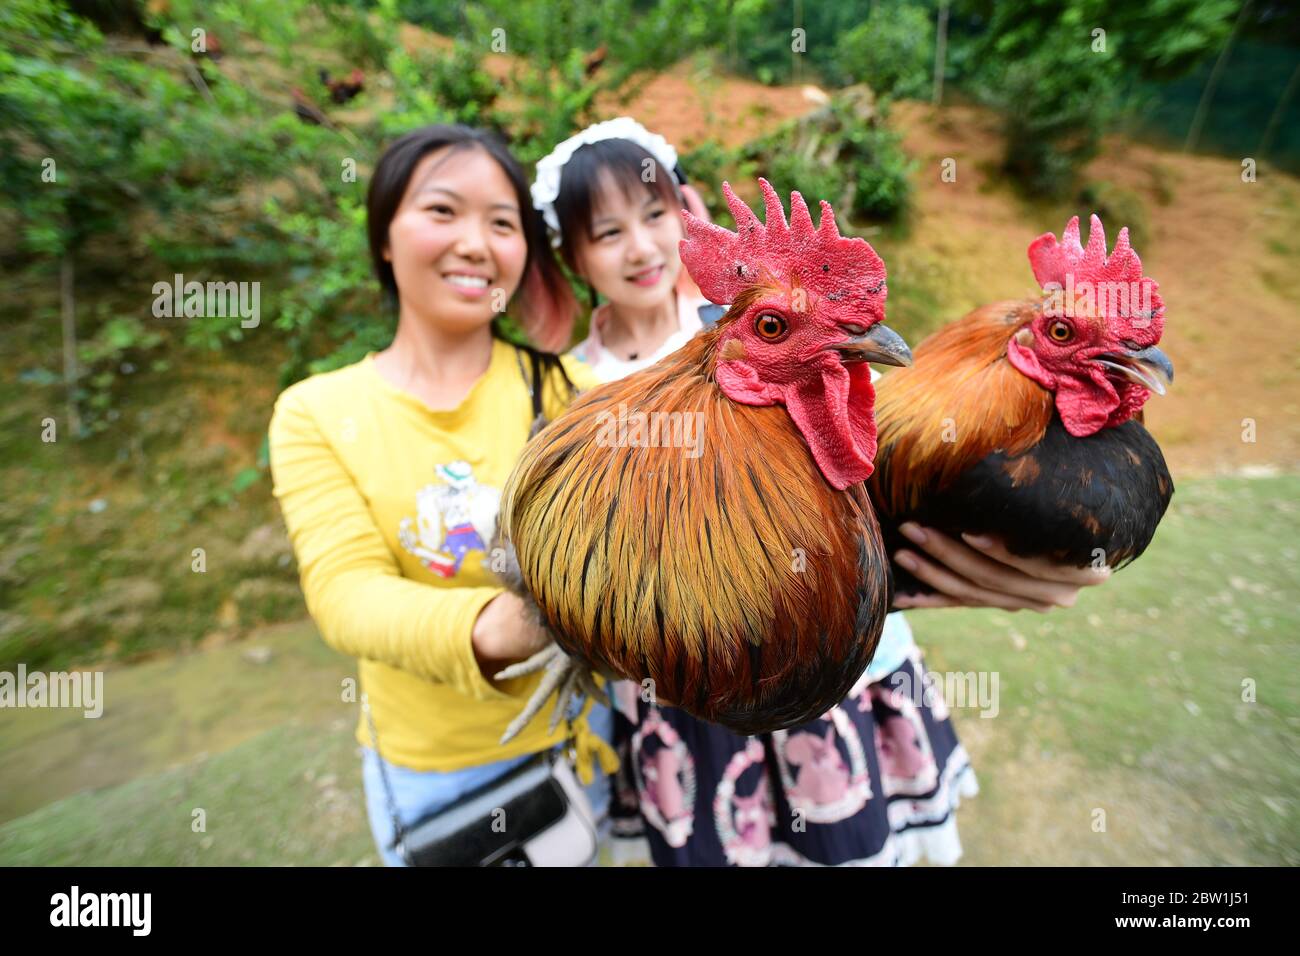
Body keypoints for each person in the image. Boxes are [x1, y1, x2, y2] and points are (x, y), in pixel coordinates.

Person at [532, 117, 1110, 866]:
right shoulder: (573, 390)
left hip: (850, 677)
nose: (641, 246)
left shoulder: (759, 330)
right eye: (607, 233)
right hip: (682, 699)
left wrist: (1048, 535)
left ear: (688, 211)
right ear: (573, 256)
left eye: (655, 215)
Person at [268, 124, 615, 867]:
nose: (476, 243)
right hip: (440, 776)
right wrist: (514, 623)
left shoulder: (574, 394)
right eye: (442, 211)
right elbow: (346, 593)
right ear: (385, 237)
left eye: (502, 222)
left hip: (581, 741)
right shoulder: (316, 411)